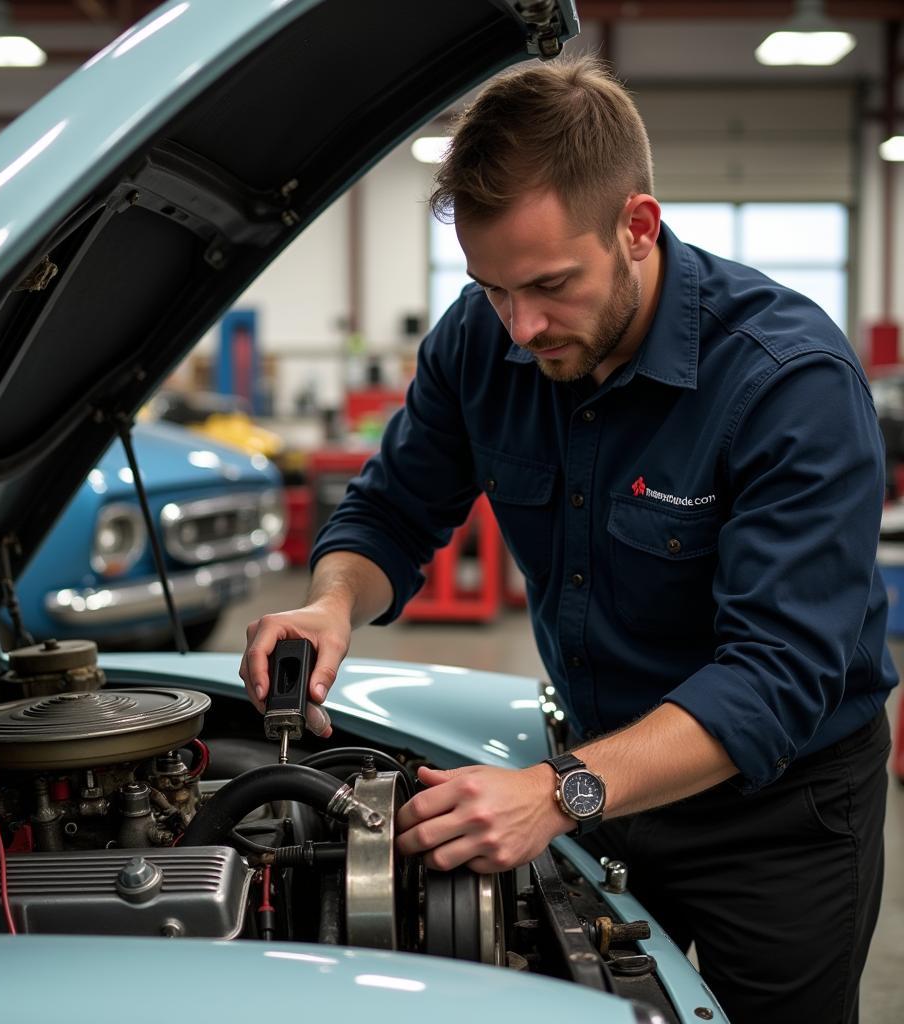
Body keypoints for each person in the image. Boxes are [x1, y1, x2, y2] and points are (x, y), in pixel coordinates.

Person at [239, 57, 895, 1023]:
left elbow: (774, 677)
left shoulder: (788, 384)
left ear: (638, 226)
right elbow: (390, 514)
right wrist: (333, 600)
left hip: (781, 816)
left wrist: (557, 793)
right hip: (596, 781)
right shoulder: (482, 338)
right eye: (492, 288)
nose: (521, 325)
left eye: (549, 284)